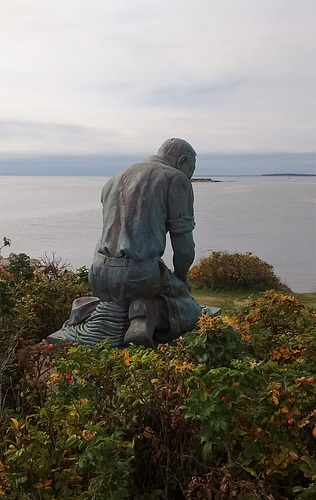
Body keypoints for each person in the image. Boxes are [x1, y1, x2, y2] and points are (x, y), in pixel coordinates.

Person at [88, 138, 202, 348]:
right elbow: (184, 248)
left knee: (115, 301)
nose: (190, 175)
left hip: (98, 275)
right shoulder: (175, 179)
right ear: (183, 161)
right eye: (191, 169)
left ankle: (88, 311)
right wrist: (182, 278)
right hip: (140, 277)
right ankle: (151, 312)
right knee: (194, 311)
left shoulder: (114, 179)